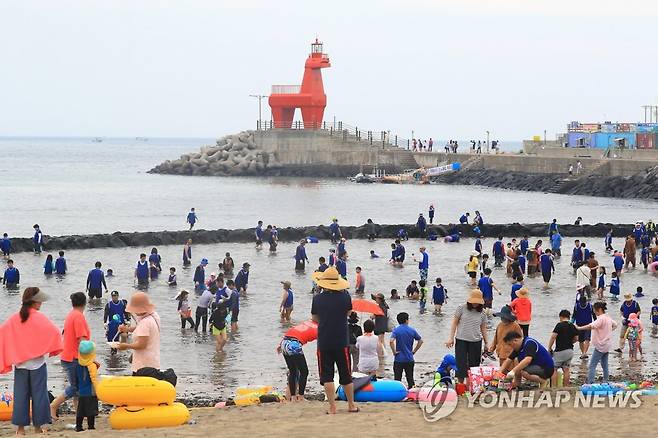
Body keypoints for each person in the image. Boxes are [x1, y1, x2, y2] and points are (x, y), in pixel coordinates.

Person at [0, 287, 61, 435]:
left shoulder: (15, 318)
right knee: (39, 396)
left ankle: (20, 430)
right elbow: (55, 333)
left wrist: (14, 351)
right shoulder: (40, 318)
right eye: (39, 300)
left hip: (21, 364)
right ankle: (38, 428)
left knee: (21, 396)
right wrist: (50, 349)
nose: (41, 303)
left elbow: (3, 332)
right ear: (34, 301)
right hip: (38, 364)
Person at [310, 267, 358, 414]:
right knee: (346, 374)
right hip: (341, 340)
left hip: (324, 340)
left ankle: (332, 407)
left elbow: (314, 318)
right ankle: (351, 405)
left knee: (327, 375)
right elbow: (349, 313)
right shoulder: (345, 297)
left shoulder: (317, 299)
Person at [51, 292, 90, 418]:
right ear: (85, 303)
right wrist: (91, 358)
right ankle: (54, 405)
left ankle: (79, 413)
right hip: (73, 357)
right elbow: (82, 341)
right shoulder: (78, 316)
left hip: (68, 355)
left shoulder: (71, 315)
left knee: (77, 388)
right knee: (75, 387)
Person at [445, 290, 488, 384]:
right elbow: (454, 323)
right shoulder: (461, 308)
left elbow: (484, 329)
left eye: (477, 302)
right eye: (474, 301)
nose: (475, 304)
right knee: (461, 364)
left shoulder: (483, 313)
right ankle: (460, 384)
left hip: (476, 341)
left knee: (474, 366)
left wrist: (486, 343)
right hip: (461, 340)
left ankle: (471, 385)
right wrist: (451, 338)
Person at [114, 292, 161, 374]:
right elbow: (143, 330)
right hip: (153, 362)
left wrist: (125, 346)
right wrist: (127, 329)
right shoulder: (154, 316)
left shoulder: (145, 322)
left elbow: (141, 345)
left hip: (143, 366)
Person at [577, 302, 617, 384]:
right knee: (604, 364)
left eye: (594, 310)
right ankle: (606, 380)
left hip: (601, 346)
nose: (594, 312)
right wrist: (609, 331)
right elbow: (615, 324)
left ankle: (590, 382)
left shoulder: (601, 319)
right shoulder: (607, 317)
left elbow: (591, 326)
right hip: (607, 345)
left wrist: (579, 328)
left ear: (599, 310)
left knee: (592, 365)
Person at [276, 320, 316, 401]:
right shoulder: (319, 328)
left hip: (285, 342)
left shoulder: (307, 322)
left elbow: (292, 331)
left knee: (293, 371)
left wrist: (280, 345)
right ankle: (301, 397)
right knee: (304, 372)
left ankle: (293, 397)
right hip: (293, 345)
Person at [389, 312, 423, 388]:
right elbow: (420, 341)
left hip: (399, 359)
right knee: (410, 378)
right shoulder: (412, 330)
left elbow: (391, 341)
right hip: (409, 358)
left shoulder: (396, 330)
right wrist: (414, 351)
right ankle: (411, 393)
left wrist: (394, 352)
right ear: (406, 320)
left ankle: (397, 394)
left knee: (397, 379)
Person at [548, 310, 579, 386]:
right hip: (570, 351)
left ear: (561, 317)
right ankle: (565, 387)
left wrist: (549, 348)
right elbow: (576, 338)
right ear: (569, 317)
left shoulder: (559, 325)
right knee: (566, 369)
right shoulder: (572, 326)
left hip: (560, 351)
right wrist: (570, 343)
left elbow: (553, 337)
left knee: (554, 369)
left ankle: (554, 387)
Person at [74, 341, 98, 432]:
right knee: (91, 411)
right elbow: (94, 379)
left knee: (80, 410)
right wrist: (98, 391)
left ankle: (78, 426)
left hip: (81, 392)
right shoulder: (92, 365)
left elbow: (75, 378)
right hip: (90, 392)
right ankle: (91, 426)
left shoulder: (77, 365)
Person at [371, 292, 390, 378]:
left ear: (380, 299)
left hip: (379, 326)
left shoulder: (379, 307)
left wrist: (372, 315)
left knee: (379, 341)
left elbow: (373, 316)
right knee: (382, 340)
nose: (376, 300)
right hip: (383, 325)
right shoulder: (384, 306)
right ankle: (383, 354)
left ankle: (381, 354)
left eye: (377, 299)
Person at [572, 294, 595, 359]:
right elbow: (574, 316)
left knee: (587, 339)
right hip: (579, 326)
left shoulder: (590, 306)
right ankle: (583, 353)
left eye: (583, 303)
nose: (582, 304)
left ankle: (585, 352)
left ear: (586, 301)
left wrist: (596, 324)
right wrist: (571, 323)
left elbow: (594, 315)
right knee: (581, 340)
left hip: (588, 325)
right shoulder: (576, 306)